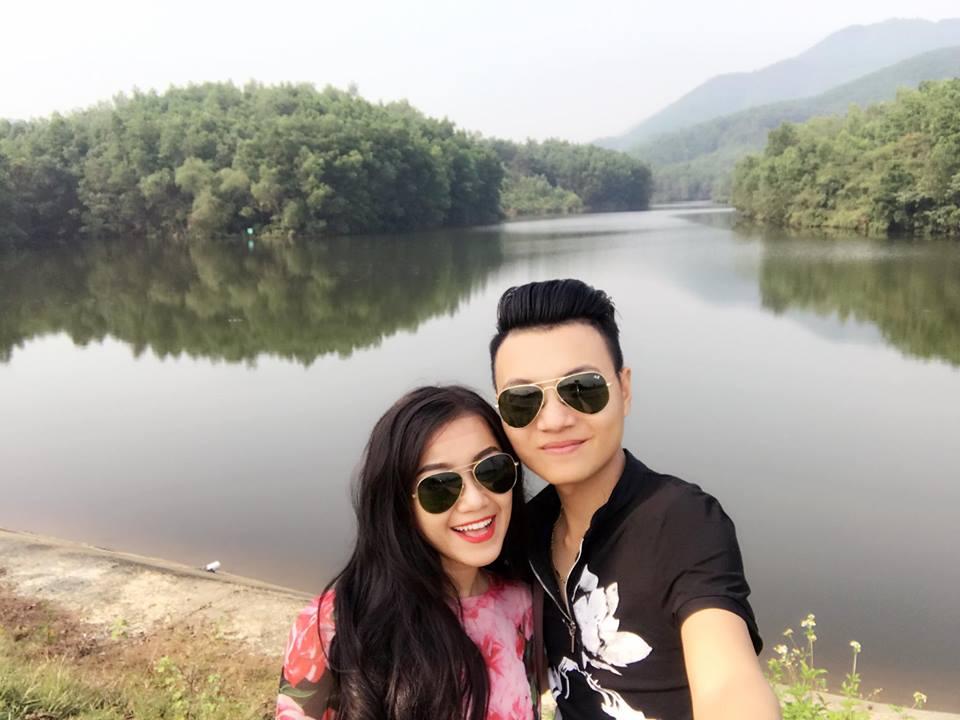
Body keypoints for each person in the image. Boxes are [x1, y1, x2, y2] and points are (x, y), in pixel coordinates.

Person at [489, 279, 780, 720]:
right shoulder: (522, 530)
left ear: (624, 390)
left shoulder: (680, 522)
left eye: (581, 388)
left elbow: (729, 685)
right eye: (522, 400)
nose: (554, 420)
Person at [275, 385, 539, 720]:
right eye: (439, 486)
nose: (476, 500)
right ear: (398, 503)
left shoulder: (522, 605)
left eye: (491, 470)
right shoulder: (334, 625)